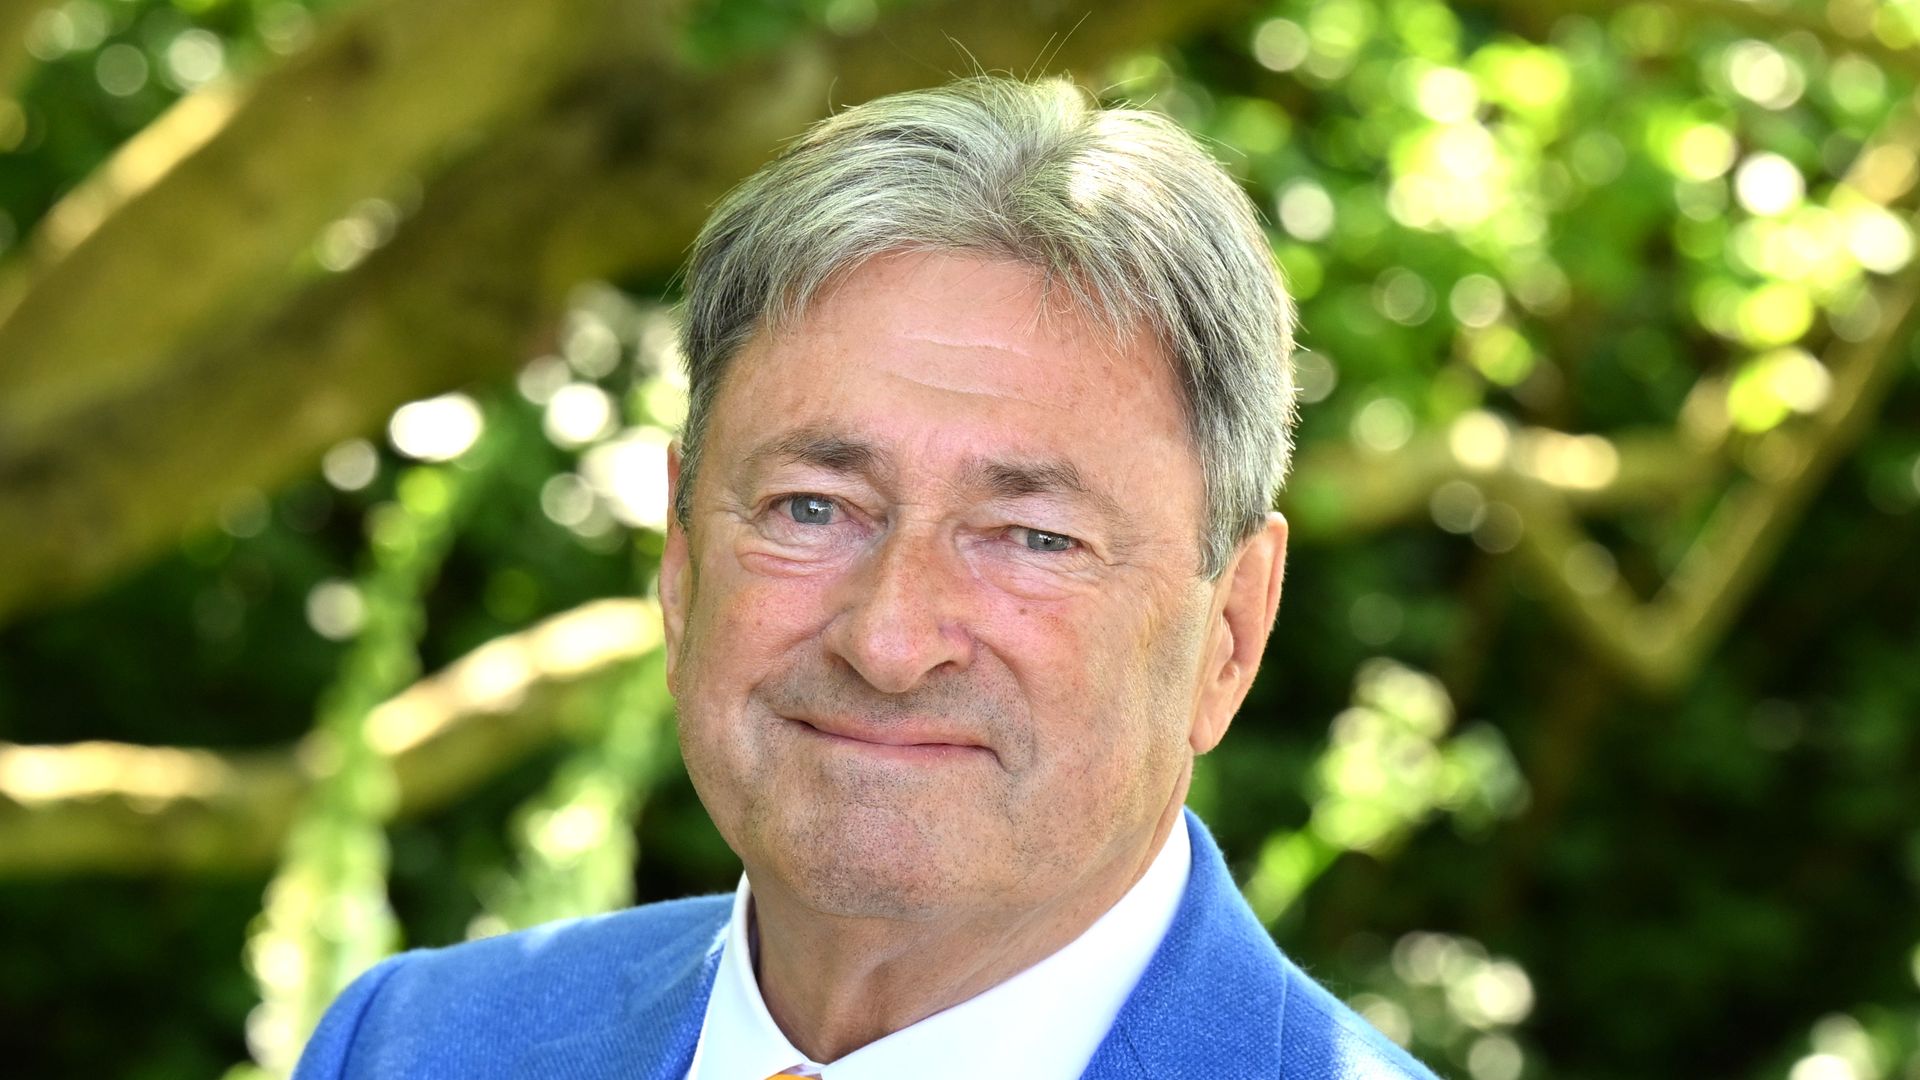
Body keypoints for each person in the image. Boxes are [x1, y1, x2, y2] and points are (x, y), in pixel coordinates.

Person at [294, 75, 1440, 1079]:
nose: (889, 642)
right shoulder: (409, 1045)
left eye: (1032, 536)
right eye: (812, 508)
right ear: (682, 564)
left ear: (1232, 628)